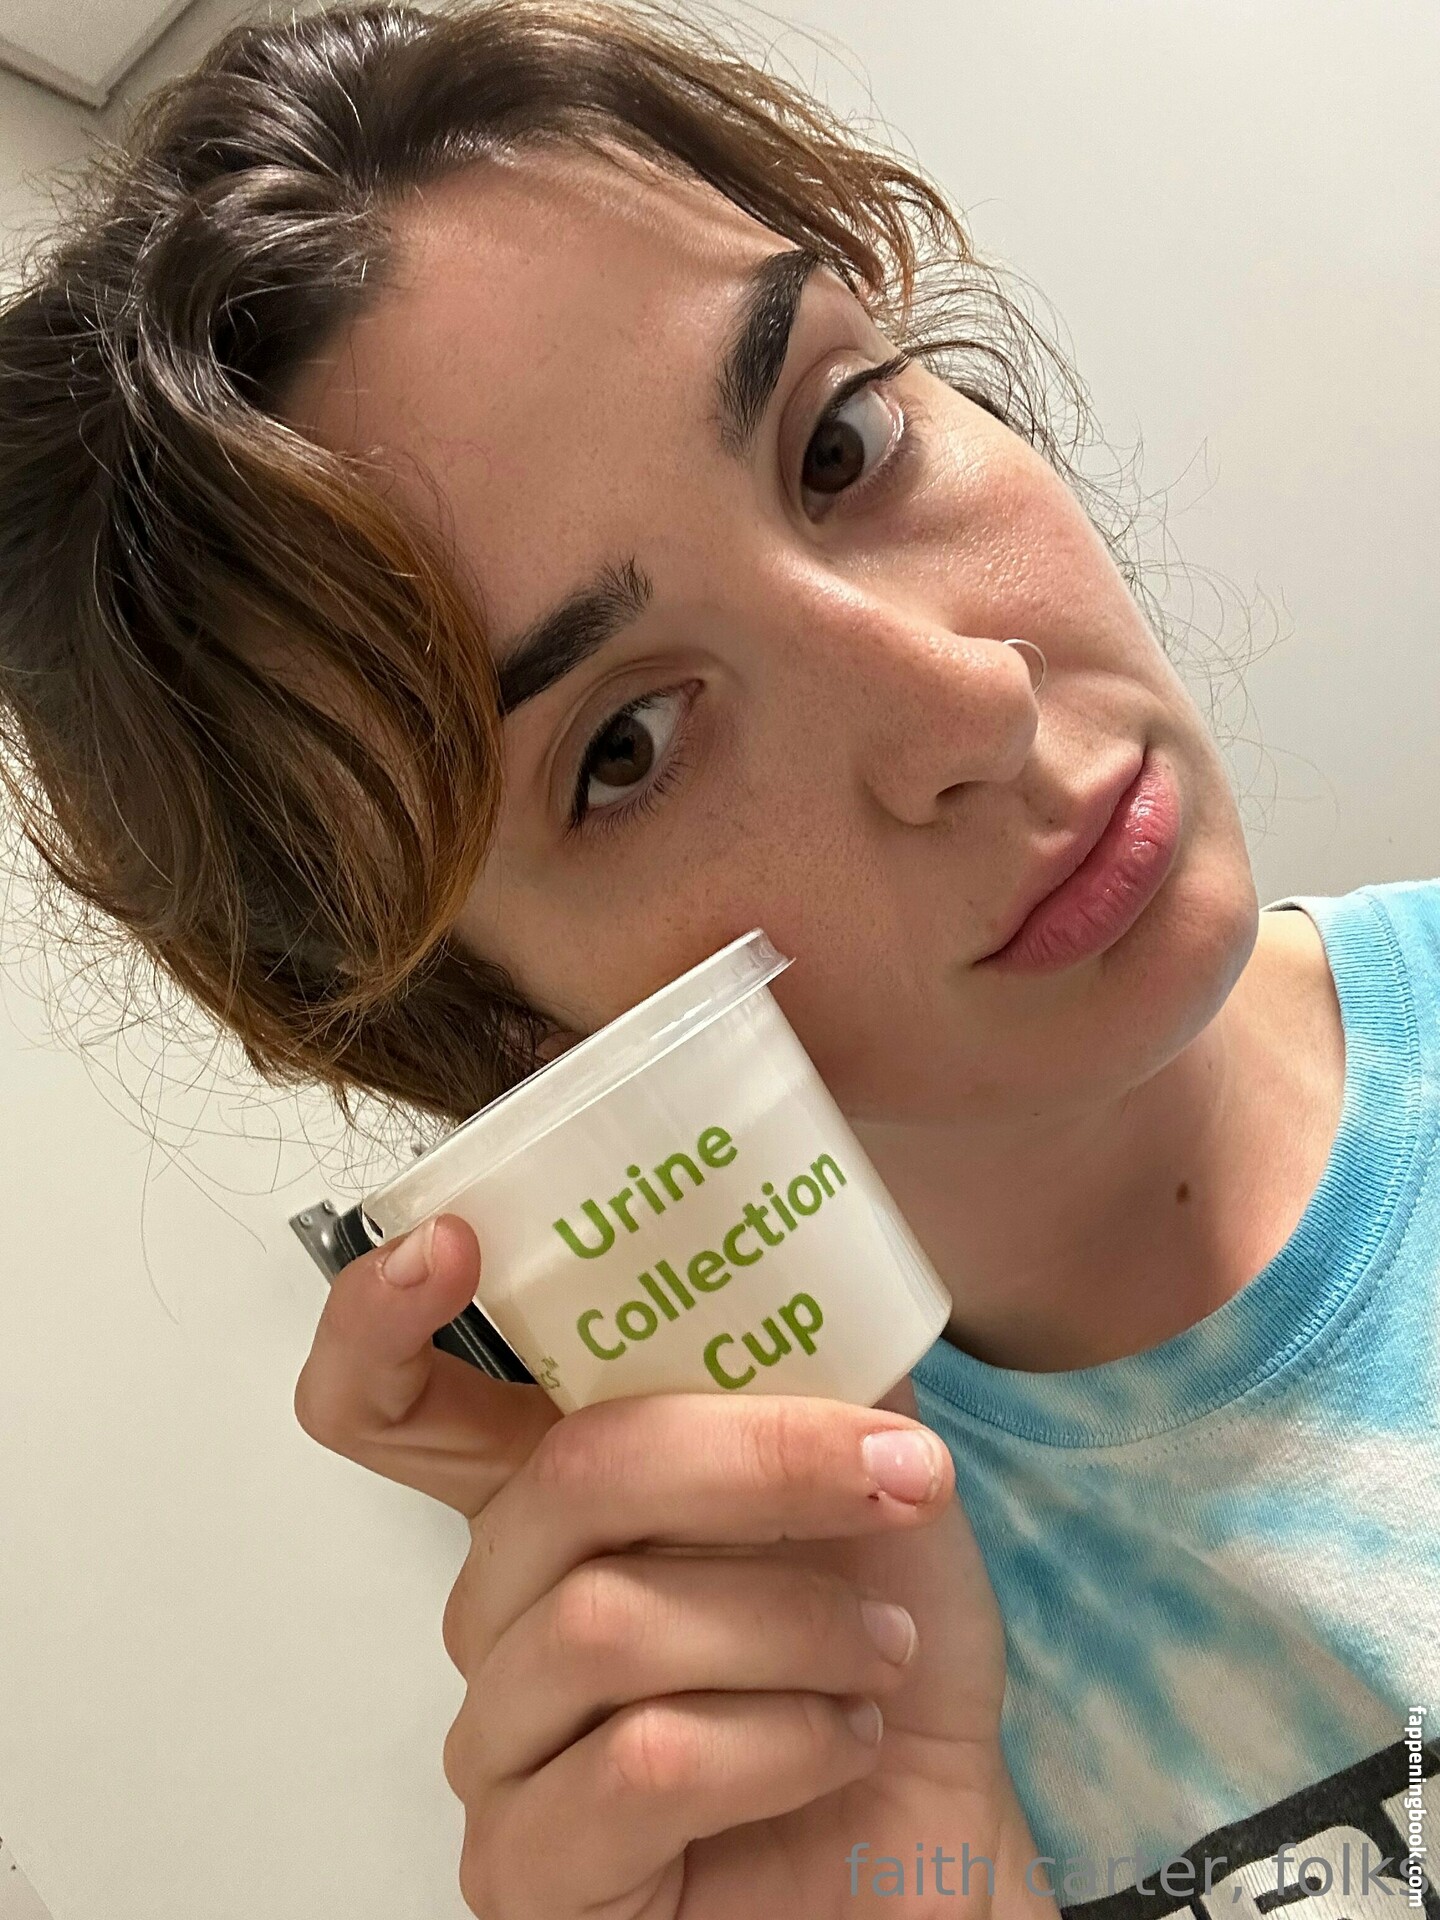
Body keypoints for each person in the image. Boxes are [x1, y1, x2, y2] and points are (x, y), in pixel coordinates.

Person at [0, 3, 1435, 1916]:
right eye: (626, 747)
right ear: (499, 1023)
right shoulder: (775, 1680)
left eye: (841, 440)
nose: (969, 706)